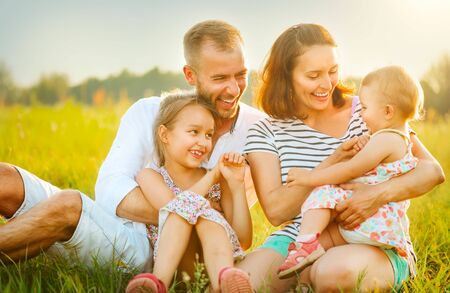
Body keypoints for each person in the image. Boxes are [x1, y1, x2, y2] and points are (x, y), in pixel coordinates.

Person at [0, 20, 265, 273]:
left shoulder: (261, 130)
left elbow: (252, 227)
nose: (233, 89)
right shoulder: (149, 112)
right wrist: (194, 210)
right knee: (5, 178)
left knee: (69, 204)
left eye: (241, 75)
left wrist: (185, 218)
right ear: (190, 75)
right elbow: (109, 188)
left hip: (149, 252)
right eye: (220, 78)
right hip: (115, 226)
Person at [238, 23, 444, 292]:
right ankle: (306, 274)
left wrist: (377, 194)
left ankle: (319, 278)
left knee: (333, 273)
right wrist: (333, 161)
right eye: (313, 75)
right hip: (301, 239)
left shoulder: (370, 109)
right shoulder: (265, 131)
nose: (327, 84)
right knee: (243, 282)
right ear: (286, 76)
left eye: (333, 71)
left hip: (369, 237)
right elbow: (277, 211)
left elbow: (431, 170)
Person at [277, 65, 424, 282]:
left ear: (388, 111)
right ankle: (305, 274)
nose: (361, 114)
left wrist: (309, 178)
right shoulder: (390, 138)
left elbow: (351, 169)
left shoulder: (386, 139)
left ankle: (306, 243)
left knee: (323, 192)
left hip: (372, 221)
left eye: (364, 108)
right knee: (317, 258)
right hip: (372, 223)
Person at [125, 92, 252, 293]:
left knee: (206, 216)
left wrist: (236, 187)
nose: (203, 142)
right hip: (176, 268)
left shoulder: (220, 179)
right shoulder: (150, 176)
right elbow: (178, 208)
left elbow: (244, 240)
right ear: (165, 134)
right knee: (190, 210)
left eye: (209, 135)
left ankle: (225, 283)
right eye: (194, 132)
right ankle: (157, 284)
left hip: (215, 266)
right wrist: (210, 181)